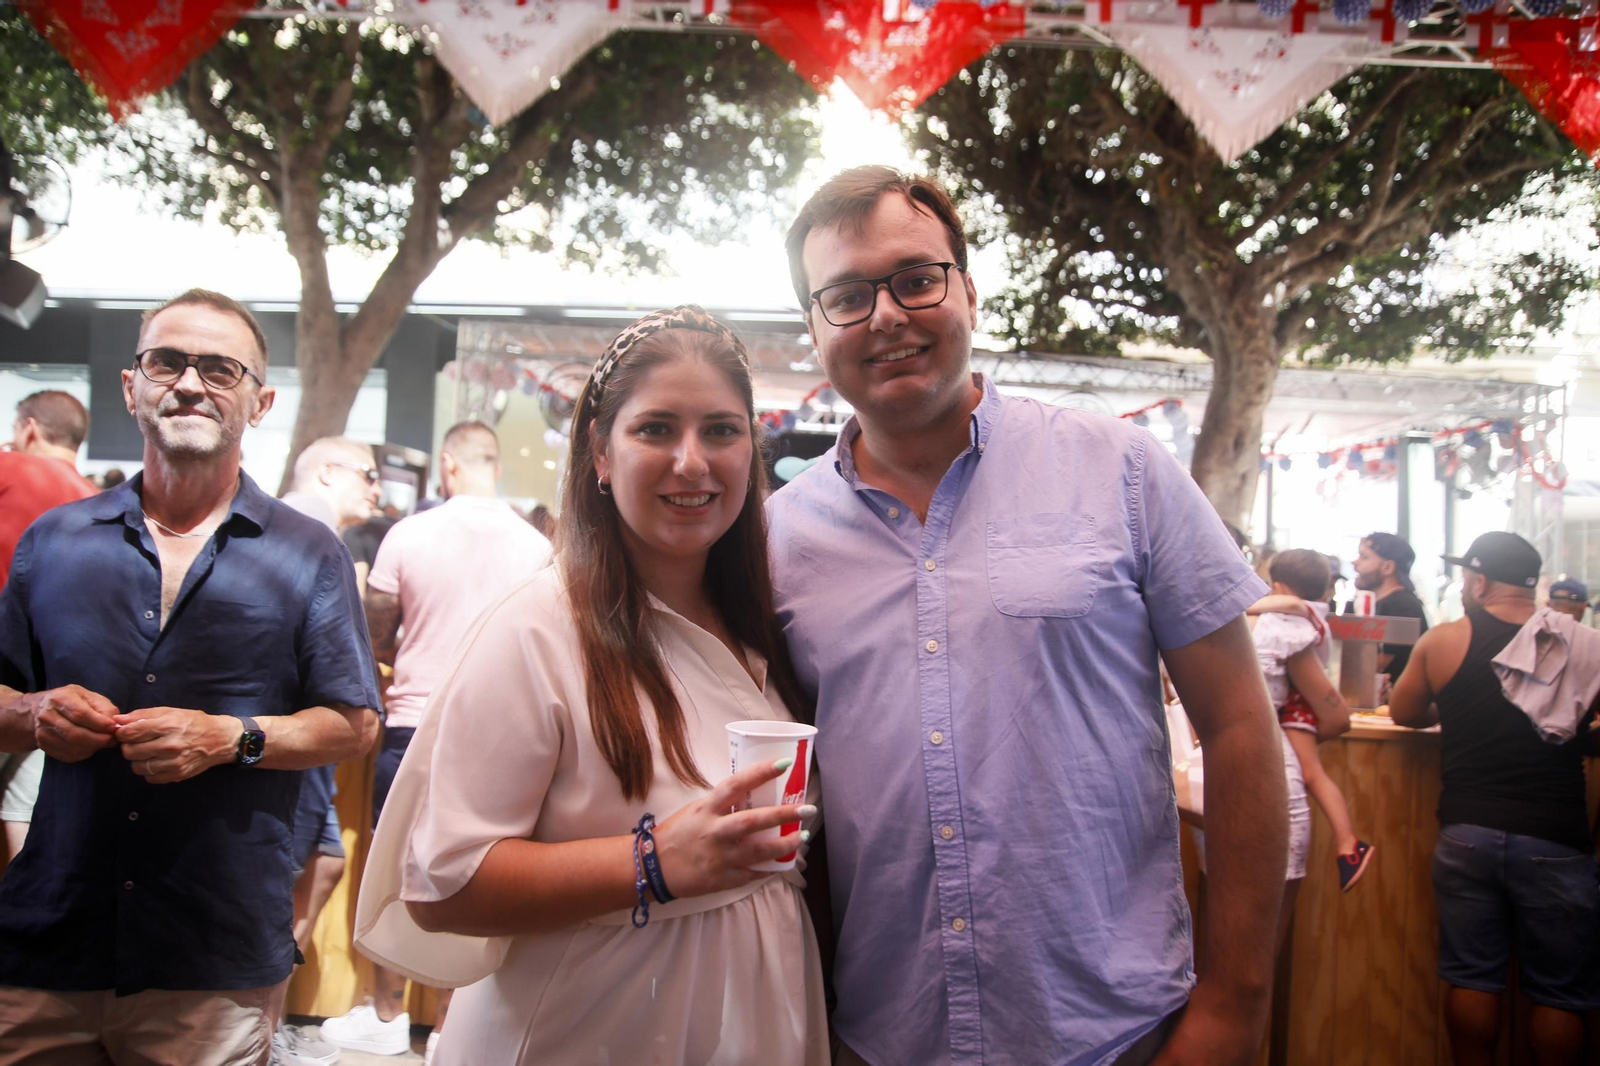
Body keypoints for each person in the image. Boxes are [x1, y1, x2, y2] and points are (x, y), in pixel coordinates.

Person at [766, 166, 1287, 1066]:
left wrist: (1235, 1004)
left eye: (916, 279)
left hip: (1118, 1033)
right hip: (879, 1036)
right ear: (813, 330)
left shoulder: (1121, 470)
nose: (886, 315)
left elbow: (1242, 730)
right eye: (846, 296)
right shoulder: (776, 543)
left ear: (967, 290)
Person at [353, 307, 827, 1066]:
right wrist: (653, 863)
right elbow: (444, 881)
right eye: (656, 429)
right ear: (600, 455)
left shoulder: (767, 624)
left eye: (720, 430)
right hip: (586, 1030)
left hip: (747, 1026)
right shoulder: (537, 629)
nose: (691, 461)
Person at [0, 289, 382, 1066]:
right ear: (130, 386)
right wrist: (35, 713)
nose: (188, 383)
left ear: (259, 400)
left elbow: (354, 723)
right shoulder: (57, 540)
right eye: (166, 361)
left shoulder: (308, 554)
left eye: (219, 368)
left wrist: (229, 738)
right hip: (50, 944)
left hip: (210, 956)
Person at [321, 421, 550, 1061]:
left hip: (411, 723)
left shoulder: (408, 534)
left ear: (448, 465)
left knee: (397, 866)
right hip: (498, 733)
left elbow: (373, 632)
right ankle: (456, 1022)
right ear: (492, 466)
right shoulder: (533, 545)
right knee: (477, 876)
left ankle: (387, 1015)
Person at [1390, 531, 1600, 1066]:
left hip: (1468, 834)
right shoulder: (1584, 645)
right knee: (1559, 993)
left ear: (1480, 580)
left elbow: (1404, 712)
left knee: (1473, 979)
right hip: (1556, 837)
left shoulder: (1443, 641)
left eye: (1466, 576)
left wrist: (1452, 710)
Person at [278, 435, 382, 1066]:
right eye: (367, 474)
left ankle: (266, 1015)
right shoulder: (304, 532)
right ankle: (262, 1020)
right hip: (293, 734)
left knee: (319, 861)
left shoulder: (304, 532)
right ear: (325, 474)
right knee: (292, 865)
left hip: (306, 735)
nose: (376, 487)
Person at [0, 390, 97, 874]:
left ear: (29, 429)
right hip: (59, 691)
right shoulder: (101, 503)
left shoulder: (9, 469)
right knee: (25, 828)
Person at [1249, 549, 1372, 892]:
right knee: (1313, 774)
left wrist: (1246, 604)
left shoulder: (1291, 618)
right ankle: (1348, 843)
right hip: (1292, 714)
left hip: (1295, 707)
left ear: (1278, 585)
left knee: (1313, 774)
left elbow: (1292, 606)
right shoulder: (1306, 614)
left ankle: (1349, 843)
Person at [1350, 532, 1429, 683]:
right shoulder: (1389, 604)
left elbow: (1368, 668)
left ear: (1388, 567)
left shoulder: (1400, 607)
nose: (1355, 563)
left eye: (1364, 557)